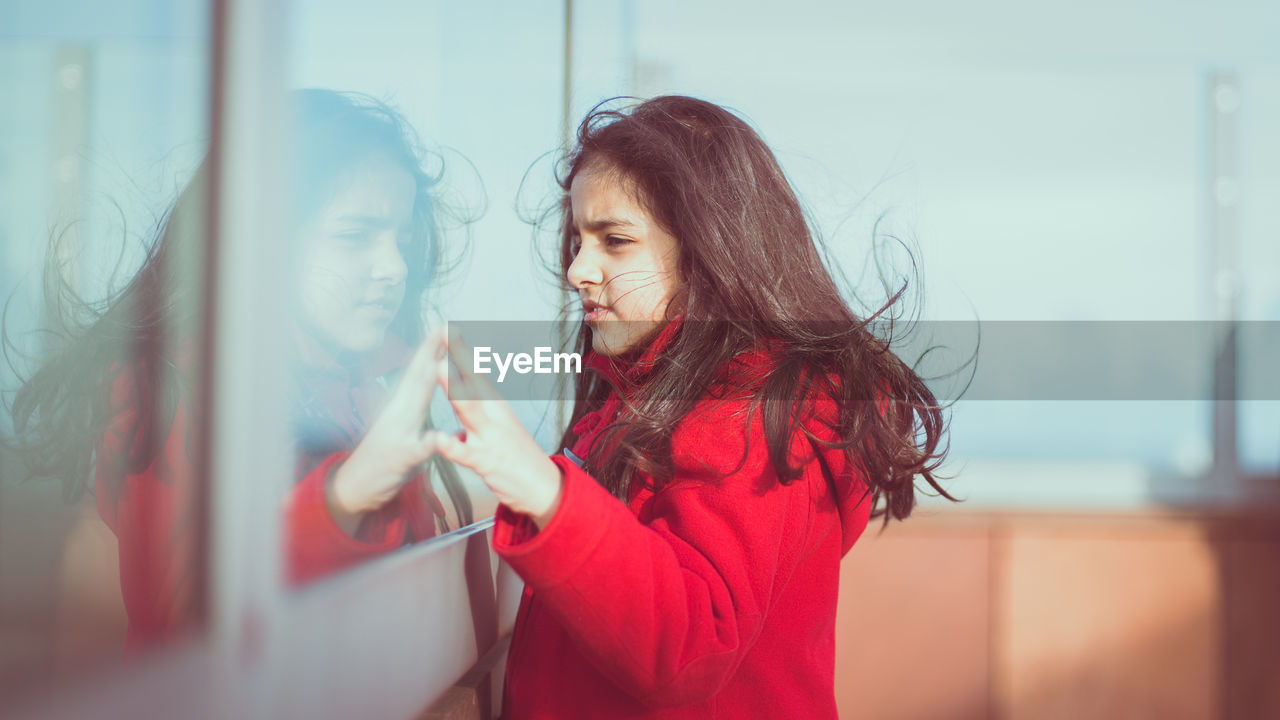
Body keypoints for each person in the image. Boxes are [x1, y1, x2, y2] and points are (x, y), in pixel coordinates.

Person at [433, 95, 954, 719]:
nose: (578, 270)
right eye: (578, 241)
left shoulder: (755, 414)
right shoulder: (652, 403)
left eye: (615, 241)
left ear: (707, 254)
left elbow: (688, 647)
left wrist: (542, 487)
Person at [7, 89, 471, 652]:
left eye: (401, 238)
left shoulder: (368, 382)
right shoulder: (172, 385)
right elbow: (190, 628)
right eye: (355, 237)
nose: (394, 268)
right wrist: (342, 499)